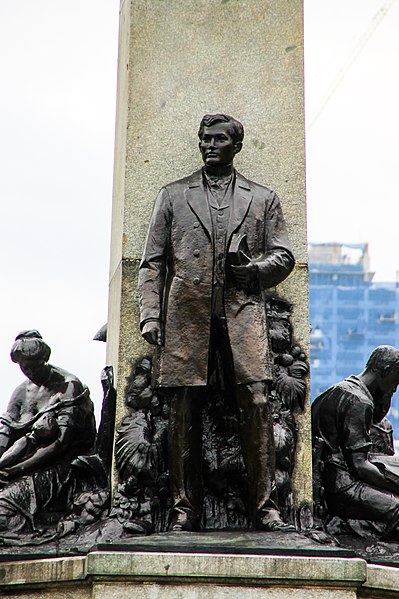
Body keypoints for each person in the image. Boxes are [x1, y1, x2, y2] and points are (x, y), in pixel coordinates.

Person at [139, 113, 295, 531]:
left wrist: (255, 271)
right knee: (183, 408)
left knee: (258, 403)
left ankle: (265, 508)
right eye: (204, 139)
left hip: (243, 315)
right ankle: (183, 509)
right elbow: (152, 263)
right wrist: (150, 315)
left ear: (236, 146)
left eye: (218, 139)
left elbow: (284, 255)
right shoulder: (172, 195)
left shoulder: (262, 198)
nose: (209, 145)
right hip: (187, 317)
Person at [0, 330, 96, 532]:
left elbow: (60, 443)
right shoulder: (20, 392)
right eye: (25, 368)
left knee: (3, 505)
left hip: (63, 465)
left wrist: (15, 471)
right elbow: (5, 433)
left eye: (35, 366)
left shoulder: (68, 386)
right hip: (22, 460)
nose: (31, 372)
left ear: (45, 359)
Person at [312, 345, 399, 536]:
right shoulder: (359, 401)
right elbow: (359, 466)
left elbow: (376, 423)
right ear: (386, 371)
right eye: (395, 381)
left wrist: (384, 395)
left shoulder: (341, 389)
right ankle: (349, 528)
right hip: (341, 486)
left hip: (333, 475)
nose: (395, 387)